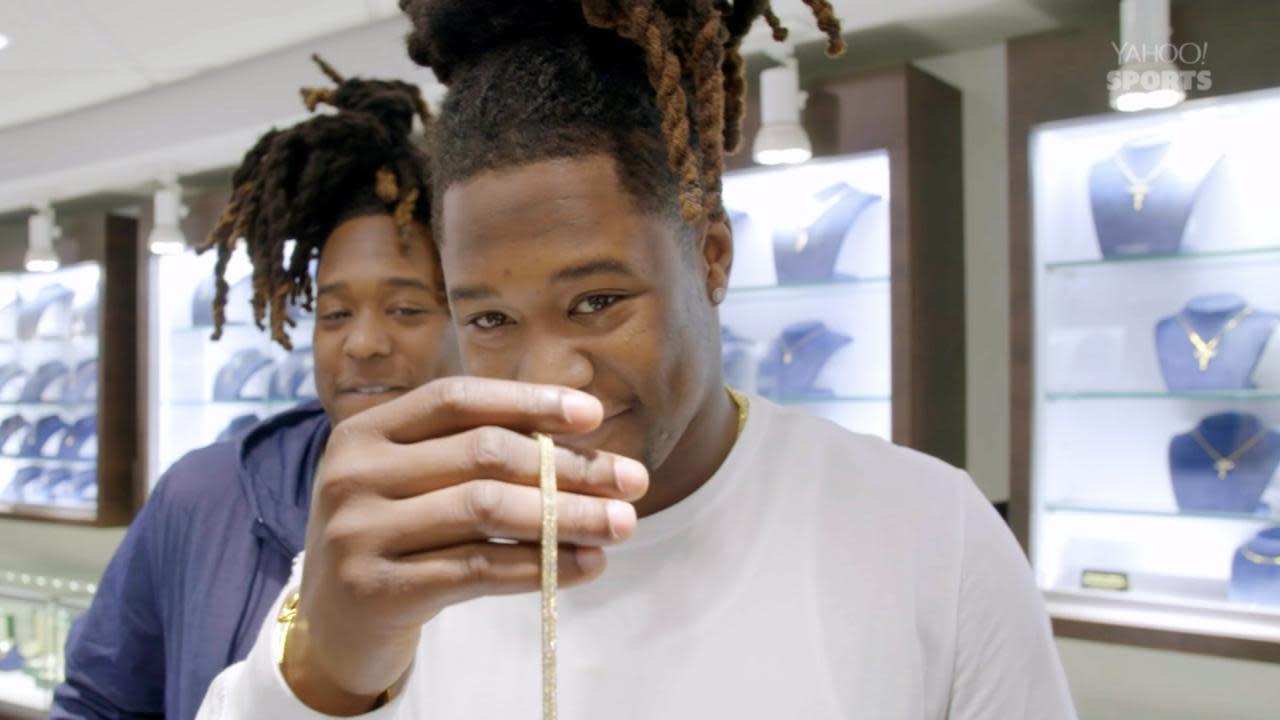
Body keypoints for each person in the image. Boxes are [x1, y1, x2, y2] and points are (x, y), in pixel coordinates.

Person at [199, 2, 1077, 718]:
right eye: (493, 317)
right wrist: (325, 673)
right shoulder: (412, 544)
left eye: (597, 302)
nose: (549, 380)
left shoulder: (928, 532)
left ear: (712, 258)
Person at [51, 56, 458, 720]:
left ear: (470, 317)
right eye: (333, 313)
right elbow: (99, 700)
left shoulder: (518, 510)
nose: (363, 343)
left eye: (407, 309)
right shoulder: (204, 494)